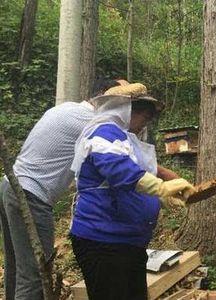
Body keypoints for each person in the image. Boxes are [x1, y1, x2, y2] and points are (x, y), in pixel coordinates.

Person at [0, 78, 124, 300]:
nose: (126, 108)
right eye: (123, 100)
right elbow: (121, 156)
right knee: (36, 274)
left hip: (10, 186)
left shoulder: (67, 109)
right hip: (31, 195)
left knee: (18, 268)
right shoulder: (91, 122)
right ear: (105, 98)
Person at [69, 83, 196, 300]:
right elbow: (120, 172)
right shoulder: (103, 132)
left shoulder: (125, 138)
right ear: (127, 110)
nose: (144, 124)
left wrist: (163, 198)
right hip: (103, 241)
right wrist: (162, 188)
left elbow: (136, 181)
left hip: (128, 242)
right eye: (144, 118)